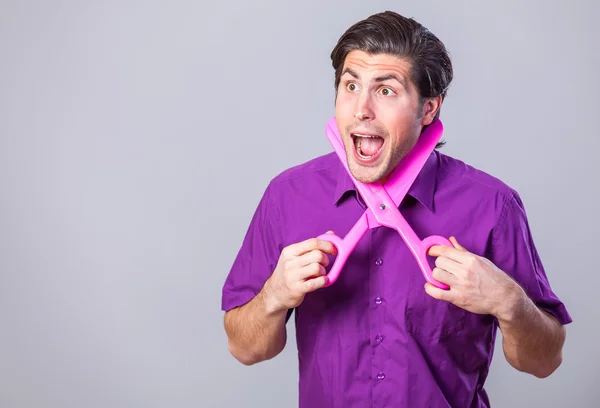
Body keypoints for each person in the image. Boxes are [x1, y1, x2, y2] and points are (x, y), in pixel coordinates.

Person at [221, 10, 572, 408]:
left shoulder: (492, 206)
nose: (361, 110)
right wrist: (274, 294)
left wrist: (510, 304)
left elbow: (545, 361)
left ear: (428, 109)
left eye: (386, 91)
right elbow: (245, 349)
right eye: (351, 85)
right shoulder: (287, 196)